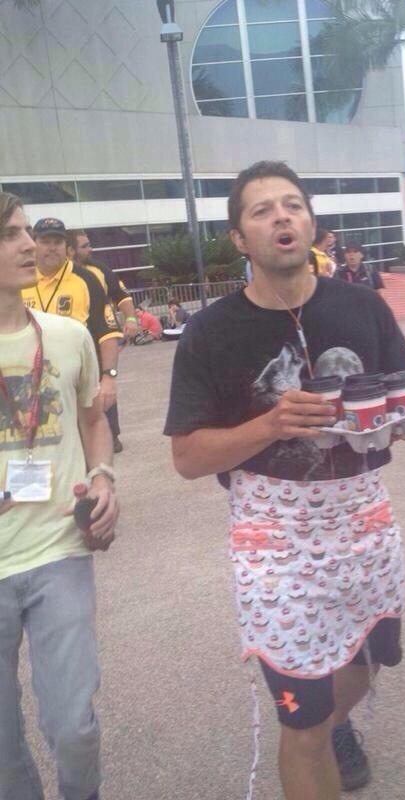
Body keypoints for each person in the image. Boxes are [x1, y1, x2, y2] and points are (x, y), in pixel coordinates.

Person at [164, 161, 405, 799]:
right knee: (301, 725)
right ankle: (314, 730)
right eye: (262, 210)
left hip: (365, 527)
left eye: (293, 205)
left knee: (366, 665)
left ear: (310, 222)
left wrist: (393, 421)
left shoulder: (362, 307)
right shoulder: (210, 332)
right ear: (239, 238)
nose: (282, 216)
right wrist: (272, 424)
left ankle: (331, 724)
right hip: (276, 545)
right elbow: (188, 457)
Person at [0, 192, 119, 800]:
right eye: (9, 235)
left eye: (25, 231)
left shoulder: (69, 337)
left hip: (58, 549)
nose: (28, 245)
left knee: (74, 727)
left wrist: (102, 477)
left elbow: (93, 419)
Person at [21, 217, 123, 455]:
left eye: (57, 242)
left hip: (78, 384)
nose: (52, 247)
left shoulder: (86, 280)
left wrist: (109, 376)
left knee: (87, 452)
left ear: (66, 247)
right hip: (30, 386)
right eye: (45, 241)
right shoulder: (21, 280)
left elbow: (107, 333)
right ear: (34, 244)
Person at [67, 229, 138, 453]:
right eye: (85, 246)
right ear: (70, 250)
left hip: (98, 342)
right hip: (67, 348)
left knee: (103, 387)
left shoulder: (98, 271)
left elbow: (122, 296)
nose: (91, 249)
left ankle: (111, 435)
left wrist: (131, 319)